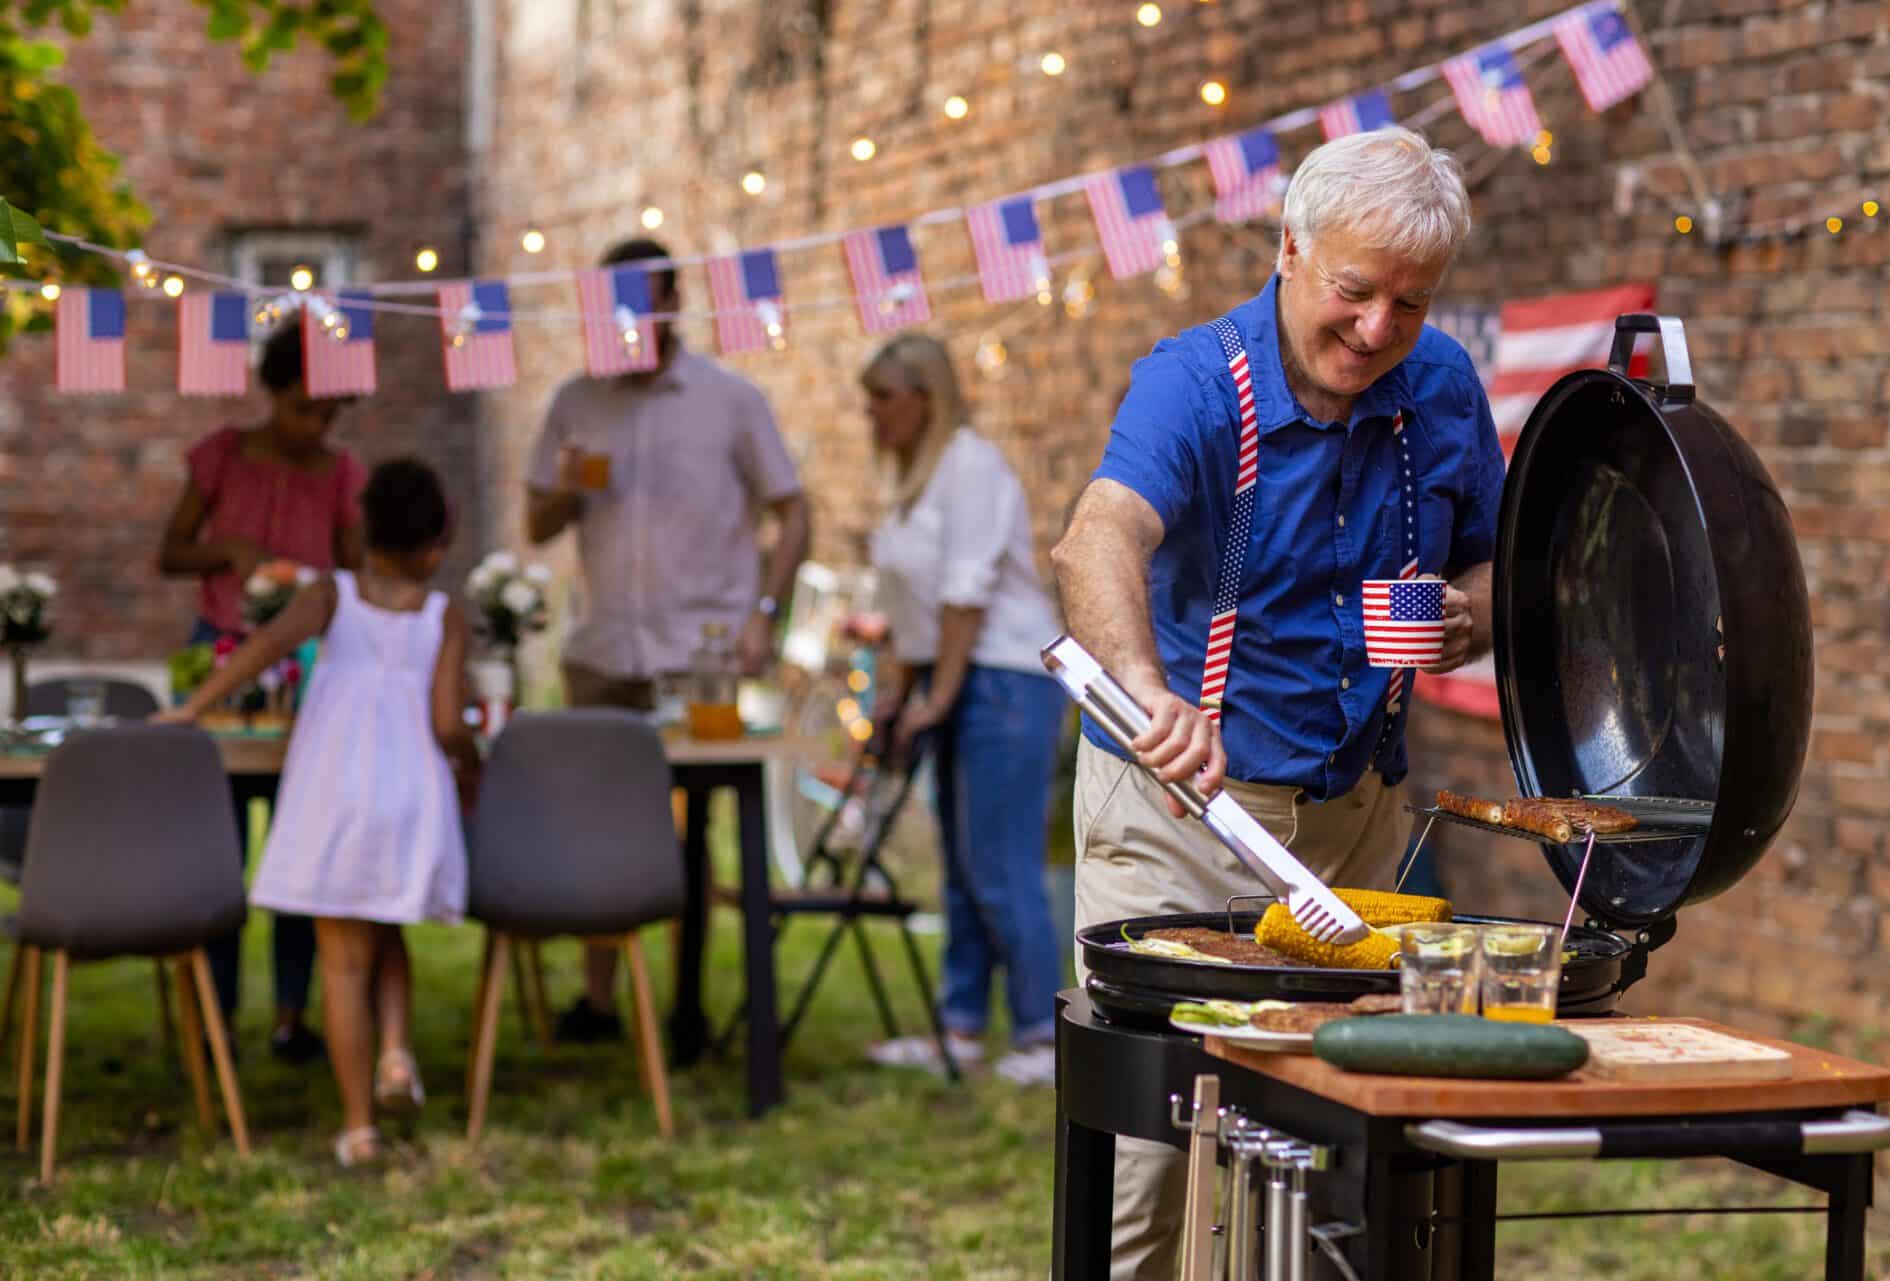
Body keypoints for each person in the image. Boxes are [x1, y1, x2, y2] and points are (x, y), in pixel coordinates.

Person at [1049, 127, 1502, 1277]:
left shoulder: (1441, 385)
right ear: (1289, 248)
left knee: (1330, 1145)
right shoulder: (1195, 381)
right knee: (1157, 1162)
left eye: (1411, 302)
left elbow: (1500, 567)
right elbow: (1098, 535)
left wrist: (1469, 615)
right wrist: (1149, 691)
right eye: (1356, 291)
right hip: (1179, 811)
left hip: (1356, 821)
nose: (1378, 329)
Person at [526, 237, 811, 1051]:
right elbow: (537, 526)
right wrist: (569, 483)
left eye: (635, 305)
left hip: (700, 654)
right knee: (596, 825)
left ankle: (686, 1006)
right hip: (603, 649)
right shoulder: (576, 401)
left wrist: (765, 612)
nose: (620, 324)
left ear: (672, 303)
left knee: (696, 834)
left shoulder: (729, 400)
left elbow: (794, 509)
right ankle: (600, 1000)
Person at [157, 458, 473, 1168]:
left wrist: (192, 705)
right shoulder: (443, 613)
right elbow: (450, 721)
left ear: (361, 530)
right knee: (390, 931)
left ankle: (359, 1125)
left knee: (344, 963)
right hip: (410, 795)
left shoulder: (332, 595)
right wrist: (472, 767)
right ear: (435, 547)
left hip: (337, 793)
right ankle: (395, 1052)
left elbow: (263, 647)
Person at [857, 334, 1068, 1087]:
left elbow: (965, 591)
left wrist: (938, 696)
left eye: (883, 396)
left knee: (1000, 862)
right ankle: (961, 1023)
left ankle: (1047, 1033)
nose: (871, 413)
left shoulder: (971, 465)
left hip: (1005, 679)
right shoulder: (917, 480)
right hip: (952, 676)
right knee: (960, 864)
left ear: (925, 395)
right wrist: (904, 689)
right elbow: (917, 607)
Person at [156, 320, 367, 1064]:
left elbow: (354, 573)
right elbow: (169, 551)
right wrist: (226, 551)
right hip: (218, 655)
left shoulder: (340, 473)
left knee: (300, 841)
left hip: (305, 668)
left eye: (330, 412)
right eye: (304, 407)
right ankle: (215, 1018)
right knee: (220, 846)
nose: (317, 425)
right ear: (271, 392)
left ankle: (290, 1012)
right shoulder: (221, 456)